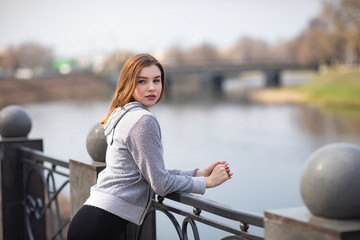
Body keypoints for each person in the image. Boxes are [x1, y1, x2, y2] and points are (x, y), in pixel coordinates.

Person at [67, 53, 233, 239]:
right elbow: (160, 183)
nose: (152, 88)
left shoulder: (123, 113)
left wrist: (197, 173)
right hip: (98, 227)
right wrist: (206, 183)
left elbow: (149, 171)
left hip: (93, 219)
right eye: (142, 81)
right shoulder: (143, 120)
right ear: (128, 83)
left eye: (157, 80)